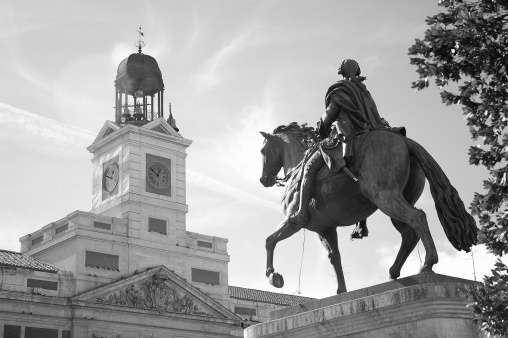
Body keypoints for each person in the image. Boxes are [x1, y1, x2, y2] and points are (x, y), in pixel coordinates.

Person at [288, 59, 389, 238]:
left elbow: (329, 116)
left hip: (344, 136)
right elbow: (376, 117)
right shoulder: (365, 92)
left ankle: (302, 212)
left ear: (341, 72)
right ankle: (361, 223)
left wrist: (321, 128)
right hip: (367, 133)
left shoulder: (340, 90)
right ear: (357, 72)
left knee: (308, 170)